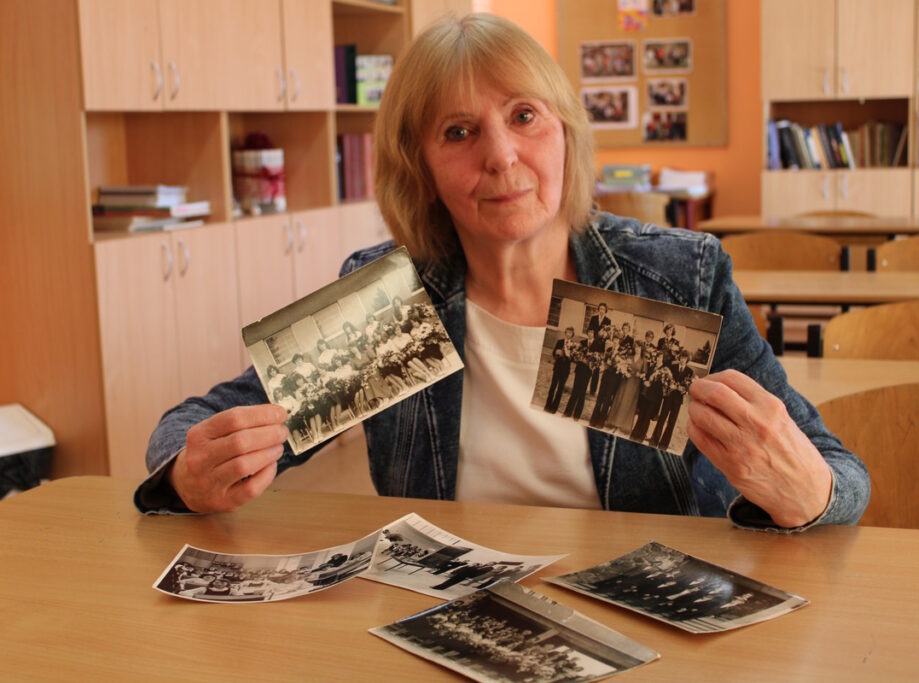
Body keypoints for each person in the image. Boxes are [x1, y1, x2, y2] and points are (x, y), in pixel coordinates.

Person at [135, 14, 869, 532]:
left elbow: (841, 475)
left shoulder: (667, 282)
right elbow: (188, 427)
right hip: (446, 622)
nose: (501, 156)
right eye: (459, 132)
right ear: (419, 169)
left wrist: (806, 492)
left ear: (566, 134)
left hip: (644, 624)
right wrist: (189, 474)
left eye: (524, 116)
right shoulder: (401, 307)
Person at [544, 326, 575, 413]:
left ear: (572, 334)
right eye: (567, 332)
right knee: (553, 386)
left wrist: (569, 356)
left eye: (570, 333)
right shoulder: (560, 342)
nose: (568, 334)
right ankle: (547, 405)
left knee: (560, 389)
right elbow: (553, 353)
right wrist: (557, 353)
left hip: (565, 369)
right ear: (565, 333)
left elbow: (573, 358)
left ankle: (554, 408)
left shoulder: (573, 345)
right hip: (558, 367)